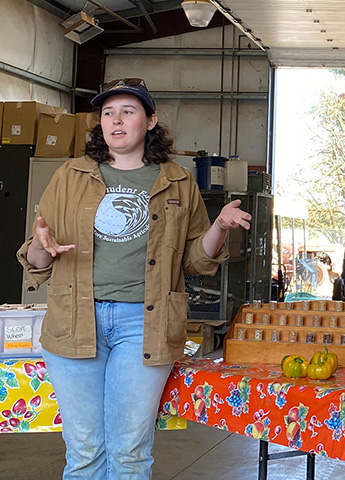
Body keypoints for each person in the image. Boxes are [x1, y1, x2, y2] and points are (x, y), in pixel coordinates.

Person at [17, 78, 251, 479]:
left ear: (150, 121)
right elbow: (38, 259)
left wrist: (221, 227)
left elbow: (196, 260)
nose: (116, 120)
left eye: (128, 111)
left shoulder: (177, 180)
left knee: (129, 452)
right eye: (108, 113)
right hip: (75, 321)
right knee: (85, 450)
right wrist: (42, 243)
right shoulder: (70, 176)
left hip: (144, 324)